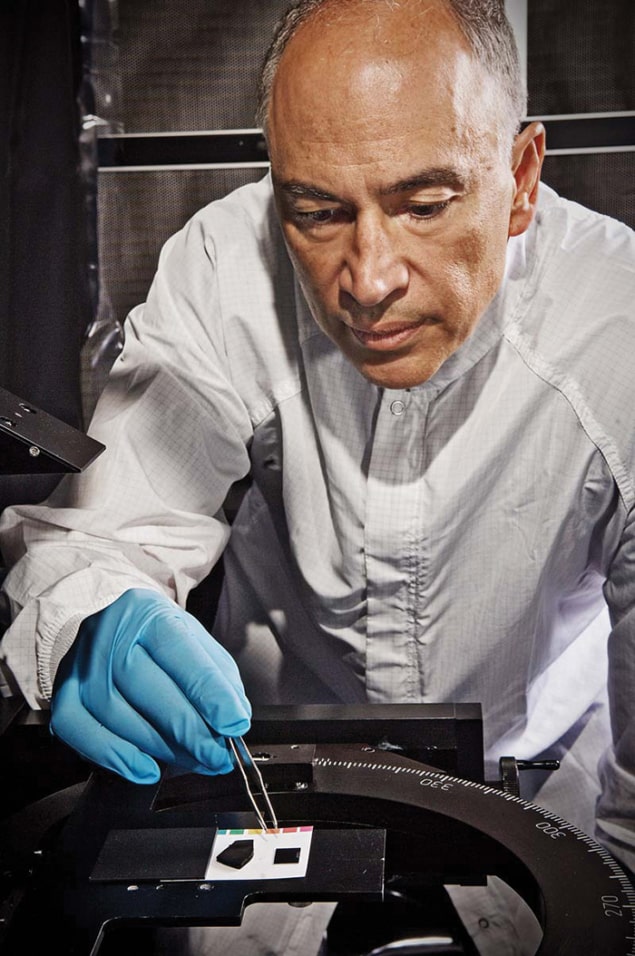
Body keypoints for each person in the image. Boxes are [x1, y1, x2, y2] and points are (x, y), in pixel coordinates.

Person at [1, 0, 634, 952]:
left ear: (518, 176)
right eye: (317, 210)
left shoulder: (617, 327)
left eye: (423, 204)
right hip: (254, 802)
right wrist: (90, 616)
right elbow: (105, 532)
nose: (369, 277)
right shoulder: (225, 266)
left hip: (543, 796)